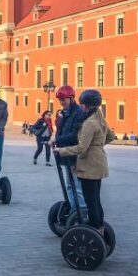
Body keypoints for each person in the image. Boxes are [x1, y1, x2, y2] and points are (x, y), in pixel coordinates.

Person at [53, 89, 115, 234]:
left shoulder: (89, 123)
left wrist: (61, 151)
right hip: (99, 163)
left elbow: (81, 148)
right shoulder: (100, 118)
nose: (81, 107)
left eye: (82, 104)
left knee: (90, 201)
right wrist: (97, 146)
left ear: (85, 106)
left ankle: (94, 230)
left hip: (89, 166)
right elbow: (111, 136)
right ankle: (99, 228)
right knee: (96, 199)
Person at [53, 85, 86, 214]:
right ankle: (73, 210)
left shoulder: (78, 113)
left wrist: (57, 140)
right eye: (60, 100)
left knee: (76, 187)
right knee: (69, 185)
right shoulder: (66, 113)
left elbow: (74, 135)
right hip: (66, 154)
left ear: (71, 98)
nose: (62, 102)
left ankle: (81, 211)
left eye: (64, 99)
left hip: (74, 155)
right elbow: (61, 131)